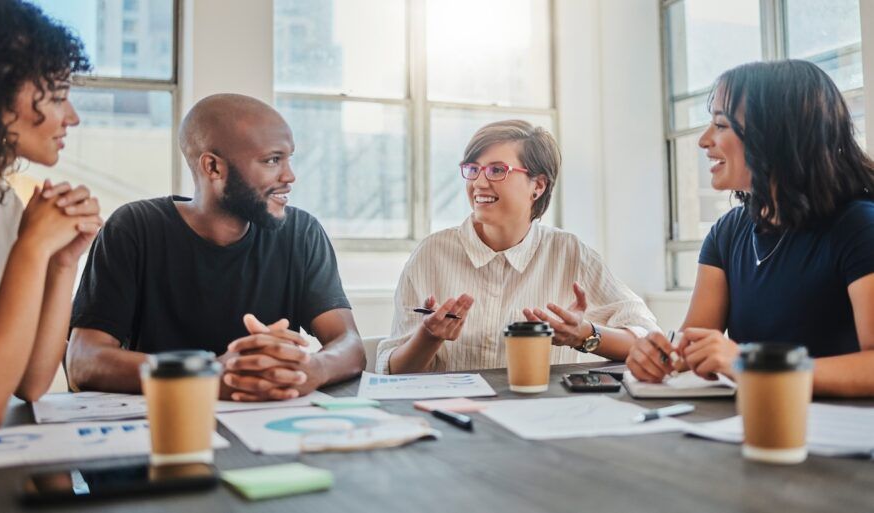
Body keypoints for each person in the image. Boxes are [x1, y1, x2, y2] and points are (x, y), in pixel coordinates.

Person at [66, 93, 365, 401]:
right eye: (272, 160)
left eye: (289, 159)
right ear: (213, 167)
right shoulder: (134, 228)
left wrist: (311, 368)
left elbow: (349, 343)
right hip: (166, 426)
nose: (289, 176)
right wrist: (206, 374)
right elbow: (83, 361)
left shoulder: (301, 233)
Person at [626, 60, 874, 397]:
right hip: (754, 421)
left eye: (721, 125)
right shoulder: (727, 231)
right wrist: (657, 355)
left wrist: (753, 362)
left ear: (775, 134)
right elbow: (690, 344)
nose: (703, 140)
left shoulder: (860, 227)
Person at [377, 120, 658, 373]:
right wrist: (429, 337)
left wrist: (584, 335)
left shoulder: (570, 253)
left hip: (541, 417)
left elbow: (647, 338)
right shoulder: (431, 254)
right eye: (473, 169)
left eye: (497, 170)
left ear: (538, 185)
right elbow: (393, 372)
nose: (479, 182)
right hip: (452, 417)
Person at [0, 0, 102, 427]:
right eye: (59, 93)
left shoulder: (3, 202)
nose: (72, 117)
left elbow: (31, 382)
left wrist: (62, 261)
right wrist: (32, 247)